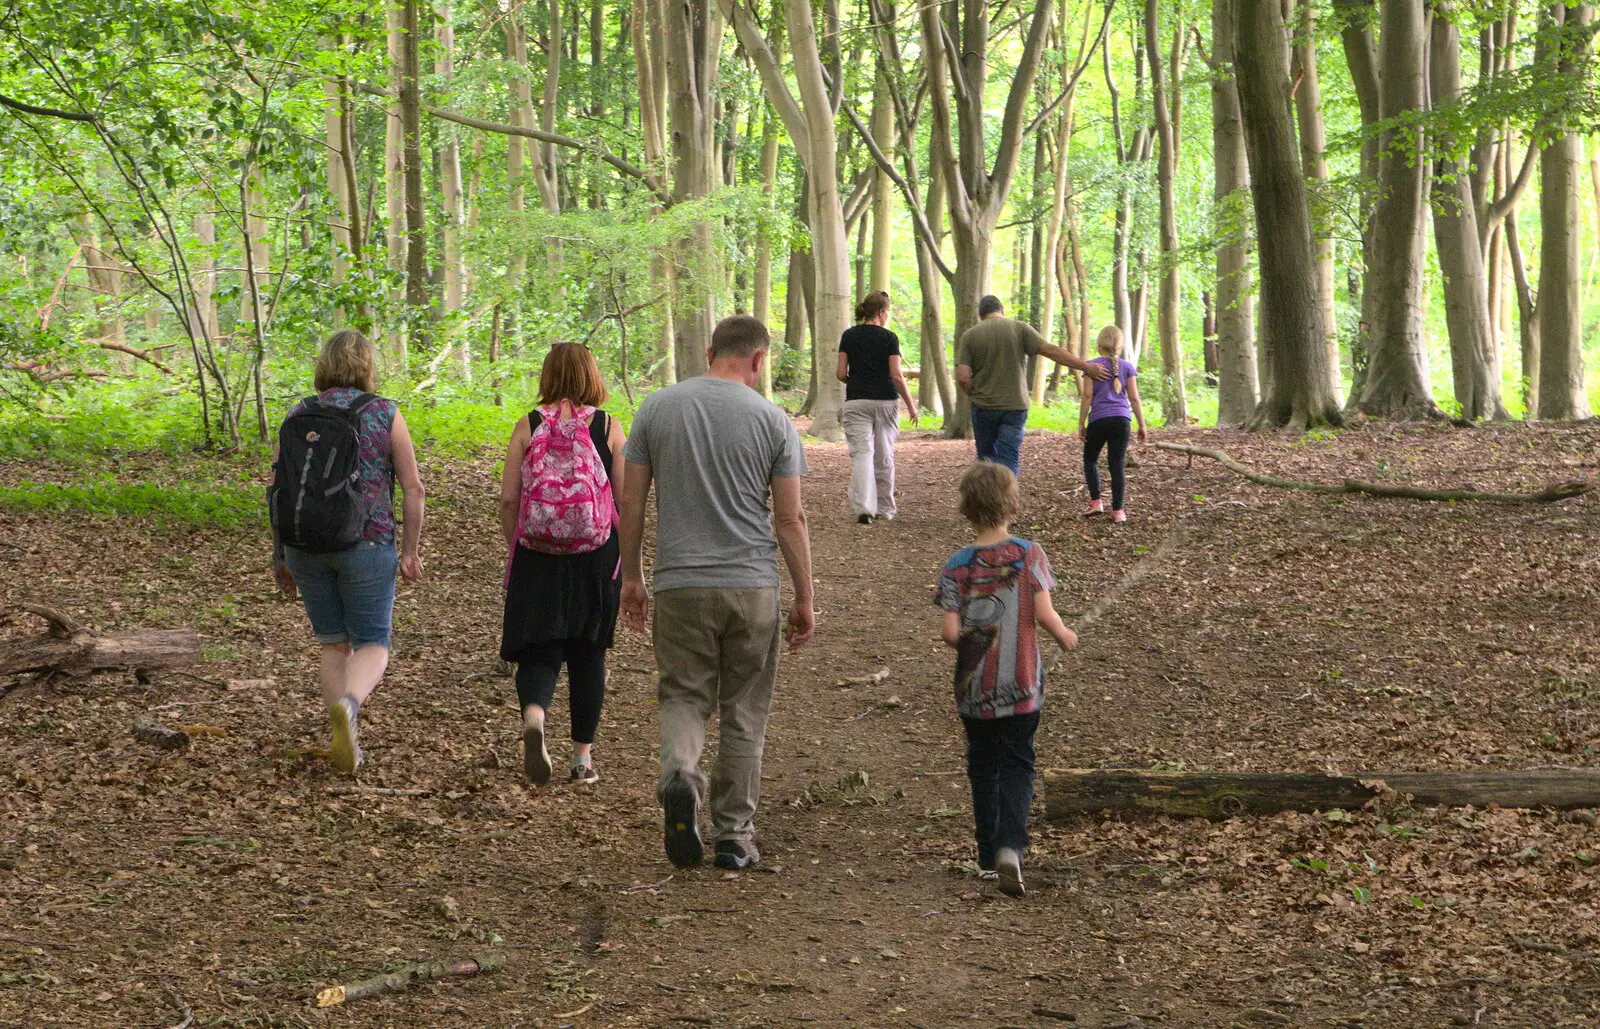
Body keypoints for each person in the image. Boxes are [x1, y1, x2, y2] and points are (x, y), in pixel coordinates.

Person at [618, 314, 816, 872]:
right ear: (758, 359)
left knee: (684, 695)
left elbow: (630, 502)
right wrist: (804, 596)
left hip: (680, 584)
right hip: (751, 585)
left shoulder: (657, 407)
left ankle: (681, 775)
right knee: (744, 709)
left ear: (710, 352)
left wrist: (631, 575)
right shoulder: (773, 420)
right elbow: (791, 519)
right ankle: (734, 836)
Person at [271, 330, 425, 776]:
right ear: (367, 365)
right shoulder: (383, 413)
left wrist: (280, 554)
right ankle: (349, 706)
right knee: (374, 643)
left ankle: (346, 740)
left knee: (333, 644)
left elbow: (279, 487)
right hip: (367, 542)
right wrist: (411, 550)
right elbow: (413, 487)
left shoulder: (299, 412)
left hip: (305, 544)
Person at [934, 462, 1077, 897]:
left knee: (982, 765)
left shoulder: (957, 564)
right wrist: (1065, 636)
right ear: (1013, 505)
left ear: (965, 509)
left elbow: (949, 633)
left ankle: (984, 856)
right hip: (1023, 683)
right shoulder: (1029, 554)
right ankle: (1011, 848)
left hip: (975, 687)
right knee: (1019, 763)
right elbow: (1045, 614)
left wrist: (972, 639)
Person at [498, 342, 625, 787]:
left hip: (538, 555)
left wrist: (515, 541)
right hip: (596, 557)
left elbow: (510, 498)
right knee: (589, 655)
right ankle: (582, 761)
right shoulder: (608, 427)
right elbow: (624, 501)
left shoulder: (527, 425)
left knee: (539, 649)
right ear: (592, 376)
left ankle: (535, 716)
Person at [955, 295, 1110, 477]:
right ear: (1002, 310)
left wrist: (973, 394)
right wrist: (1086, 366)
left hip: (983, 408)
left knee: (985, 459)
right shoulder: (1019, 328)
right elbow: (1052, 351)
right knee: (1009, 457)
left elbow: (963, 377)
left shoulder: (969, 336)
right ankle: (1008, 501)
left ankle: (986, 502)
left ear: (980, 315)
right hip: (1015, 407)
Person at [836, 290, 918, 524]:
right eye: (888, 312)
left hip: (857, 402)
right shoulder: (889, 338)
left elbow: (841, 373)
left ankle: (864, 508)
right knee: (884, 455)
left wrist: (858, 383)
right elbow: (896, 376)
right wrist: (911, 405)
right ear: (882, 312)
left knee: (863, 454)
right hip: (885, 402)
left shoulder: (849, 336)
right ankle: (886, 508)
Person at [1078, 325, 1148, 523]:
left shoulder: (1091, 366)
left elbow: (1087, 395)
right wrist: (1142, 425)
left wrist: (1081, 422)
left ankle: (1096, 501)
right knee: (1116, 464)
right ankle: (1118, 511)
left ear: (1099, 344)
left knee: (1090, 460)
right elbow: (1134, 398)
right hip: (1122, 420)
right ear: (1119, 345)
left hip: (1099, 419)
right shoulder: (1127, 367)